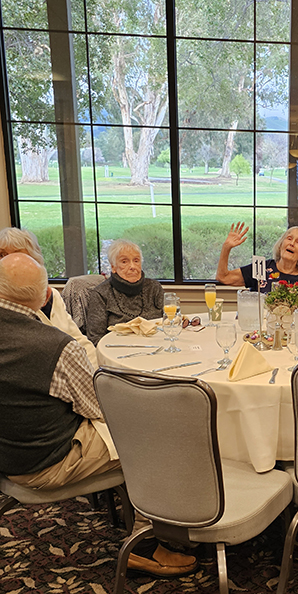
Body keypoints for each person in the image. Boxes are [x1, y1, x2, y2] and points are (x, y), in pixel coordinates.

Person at [0, 253, 198, 577]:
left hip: (8, 452)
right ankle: (147, 547)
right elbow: (100, 409)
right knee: (155, 436)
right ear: (45, 294)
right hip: (44, 462)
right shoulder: (54, 347)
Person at [0, 227, 98, 368]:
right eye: (2, 255)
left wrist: (96, 372)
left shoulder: (53, 296)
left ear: (34, 259)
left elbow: (78, 339)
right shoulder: (7, 308)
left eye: (17, 255)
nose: (8, 262)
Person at [86, 239, 163, 345]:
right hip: (119, 352)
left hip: (156, 346)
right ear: (113, 267)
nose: (132, 266)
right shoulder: (101, 294)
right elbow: (95, 338)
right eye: (124, 262)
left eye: (136, 261)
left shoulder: (154, 288)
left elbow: (169, 323)